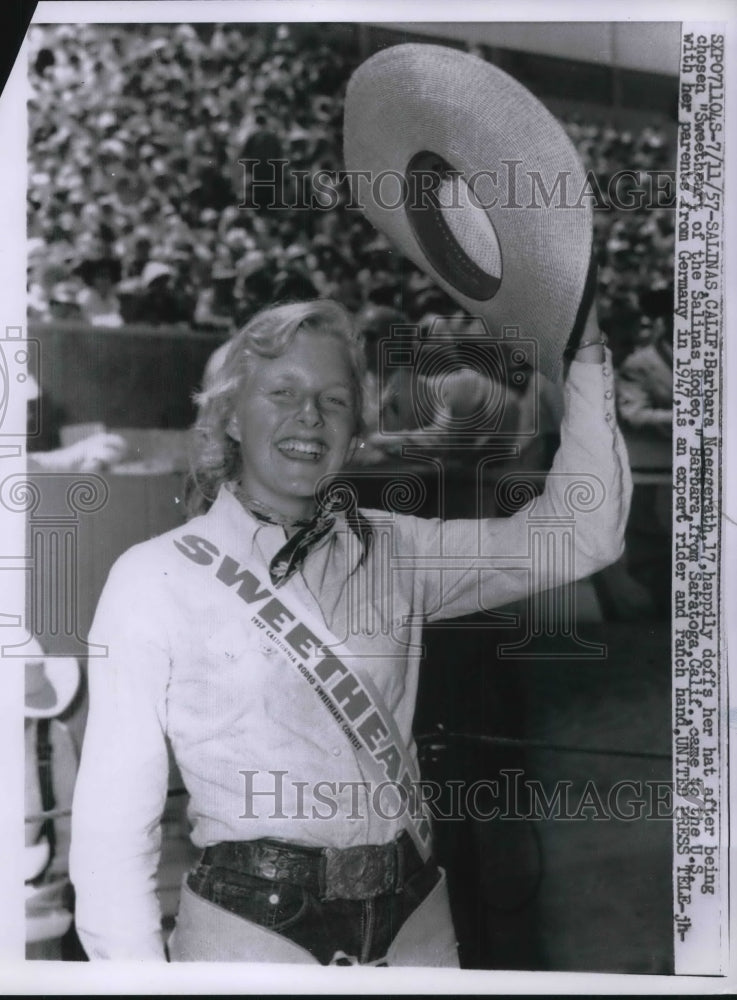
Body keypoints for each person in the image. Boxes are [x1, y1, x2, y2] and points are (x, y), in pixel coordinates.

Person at [70, 296, 631, 965]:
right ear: (227, 414)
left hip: (413, 919)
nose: (309, 416)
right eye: (281, 391)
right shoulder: (152, 576)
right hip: (251, 935)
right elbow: (112, 830)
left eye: (334, 400)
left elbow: (581, 534)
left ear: (356, 426)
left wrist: (585, 355)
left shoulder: (395, 548)